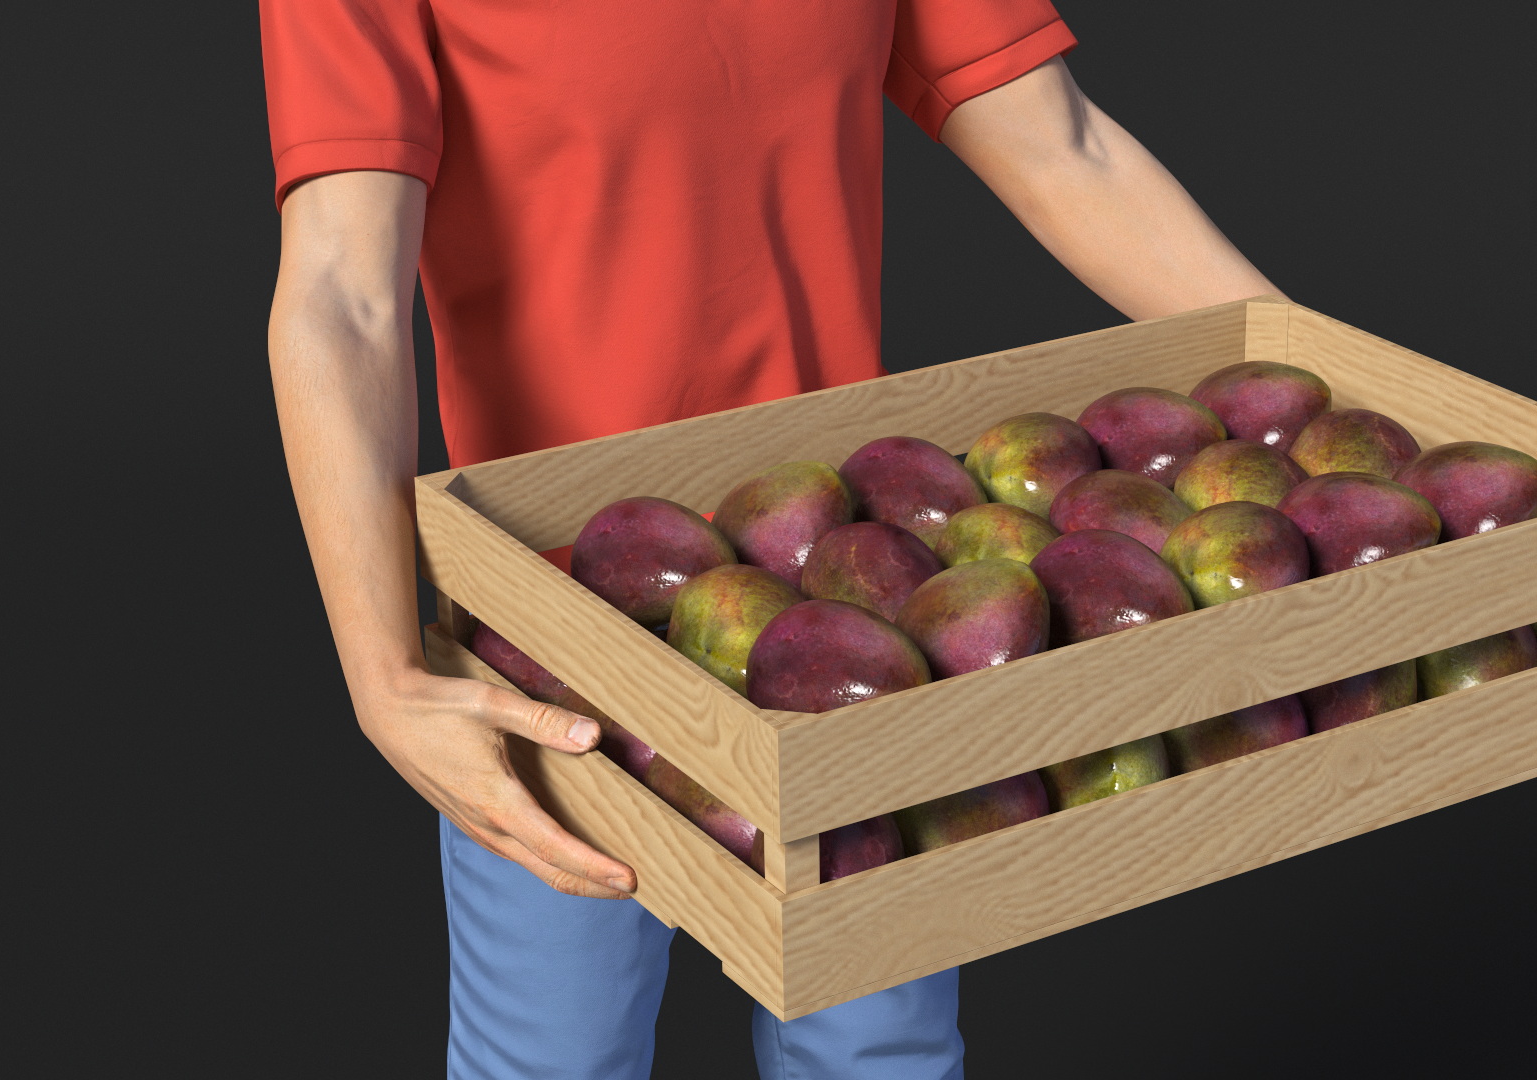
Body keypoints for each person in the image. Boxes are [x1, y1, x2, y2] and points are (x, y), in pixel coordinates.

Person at [262, 2, 1282, 1077]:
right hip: (552, 634)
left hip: (858, 600)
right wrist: (381, 675)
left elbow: (1062, 148)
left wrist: (1327, 395)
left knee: (878, 1055)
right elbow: (341, 292)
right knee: (550, 1061)